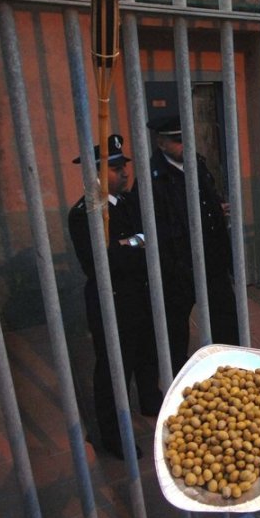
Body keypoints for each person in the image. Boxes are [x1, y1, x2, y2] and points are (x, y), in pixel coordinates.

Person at [68, 134, 162, 460]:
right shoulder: (85, 213)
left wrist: (128, 243)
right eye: (115, 168)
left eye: (124, 166)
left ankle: (151, 400)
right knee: (114, 369)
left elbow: (149, 239)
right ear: (95, 172)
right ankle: (112, 435)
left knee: (146, 353)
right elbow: (102, 261)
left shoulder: (127, 202)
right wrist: (135, 243)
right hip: (112, 300)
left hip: (140, 294)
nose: (124, 173)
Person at [141, 115, 239, 375]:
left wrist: (215, 209)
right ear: (161, 144)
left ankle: (232, 369)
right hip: (180, 266)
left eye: (186, 138)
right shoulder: (152, 178)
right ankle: (181, 378)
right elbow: (157, 225)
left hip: (212, 258)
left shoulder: (195, 163)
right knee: (175, 328)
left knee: (226, 319)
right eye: (177, 140)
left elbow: (205, 197)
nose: (184, 144)